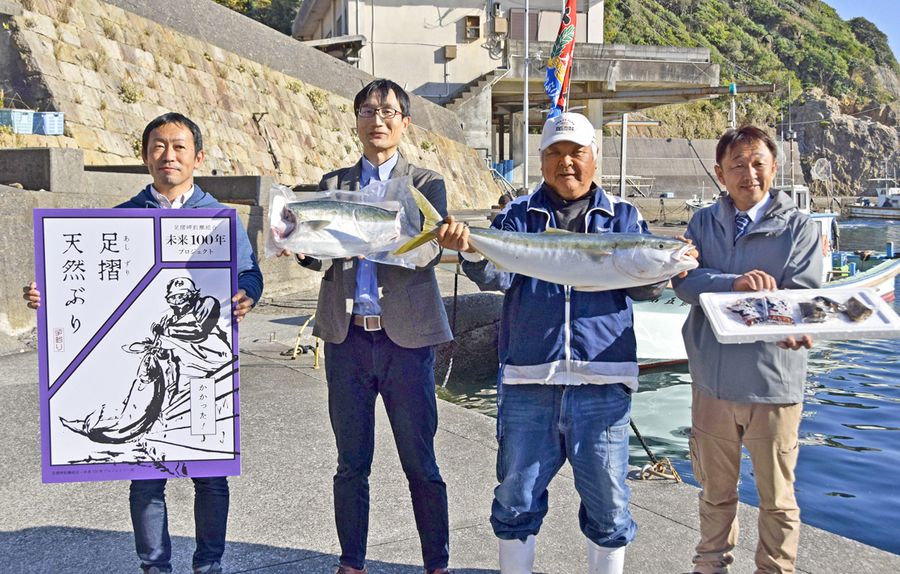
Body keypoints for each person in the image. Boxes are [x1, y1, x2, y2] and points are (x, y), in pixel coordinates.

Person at [24, 112, 263, 574]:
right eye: (158, 146)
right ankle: (154, 566)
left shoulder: (219, 219)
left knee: (210, 477)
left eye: (178, 147)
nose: (168, 156)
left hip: (203, 372)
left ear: (198, 156)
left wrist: (247, 293)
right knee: (146, 480)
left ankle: (208, 565)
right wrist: (46, 293)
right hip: (151, 367)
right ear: (144, 155)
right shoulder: (122, 218)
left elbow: (249, 272)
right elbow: (90, 286)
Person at [437, 112, 675, 574]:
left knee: (609, 505)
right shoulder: (517, 217)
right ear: (542, 160)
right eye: (555, 153)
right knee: (515, 498)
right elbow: (496, 273)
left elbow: (644, 287)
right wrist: (470, 250)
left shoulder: (624, 218)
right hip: (529, 379)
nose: (566, 163)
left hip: (603, 384)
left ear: (594, 157)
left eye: (576, 152)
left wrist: (667, 267)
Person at [281, 79, 453, 574]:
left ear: (404, 122)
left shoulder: (426, 184)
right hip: (347, 337)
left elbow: (428, 250)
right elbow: (319, 258)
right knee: (351, 463)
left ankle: (436, 563)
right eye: (367, 111)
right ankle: (352, 561)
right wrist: (301, 246)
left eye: (388, 111)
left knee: (421, 462)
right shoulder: (332, 185)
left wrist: (368, 237)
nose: (377, 120)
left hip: (407, 342)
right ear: (355, 120)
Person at [672, 125, 823, 574]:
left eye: (758, 163)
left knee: (777, 499)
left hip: (773, 384)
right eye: (737, 165)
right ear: (720, 173)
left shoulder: (800, 229)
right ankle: (710, 566)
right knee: (715, 493)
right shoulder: (701, 222)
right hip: (712, 383)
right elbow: (684, 281)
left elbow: (804, 296)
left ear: (773, 168)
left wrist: (740, 296)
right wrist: (733, 284)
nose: (749, 173)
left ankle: (775, 570)